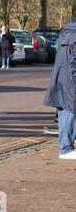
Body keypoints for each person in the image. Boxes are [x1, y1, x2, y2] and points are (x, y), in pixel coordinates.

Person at [43, 19, 76, 159]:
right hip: (71, 78)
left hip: (61, 76)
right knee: (71, 111)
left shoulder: (66, 33)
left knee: (64, 111)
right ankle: (66, 148)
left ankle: (65, 146)